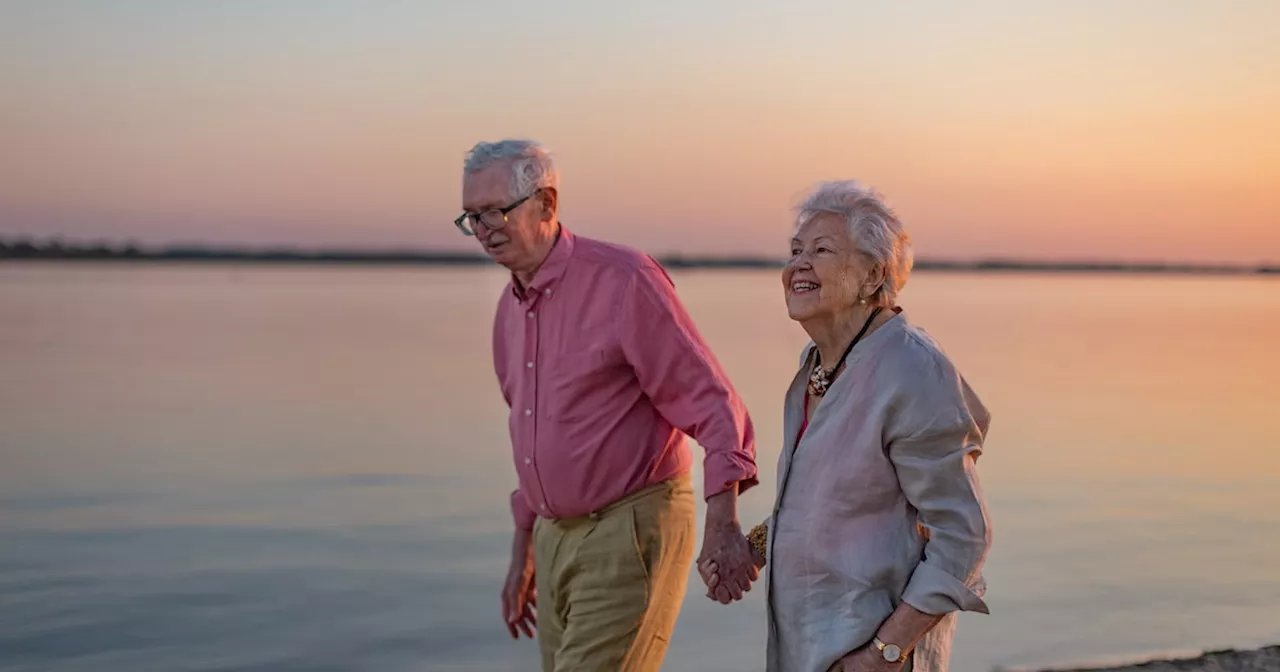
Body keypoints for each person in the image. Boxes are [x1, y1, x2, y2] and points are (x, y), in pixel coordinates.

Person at [457, 139, 760, 672]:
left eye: (495, 212)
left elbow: (713, 402)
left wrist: (723, 519)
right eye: (472, 217)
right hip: (554, 537)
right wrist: (523, 544)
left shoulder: (624, 280)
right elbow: (527, 431)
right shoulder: (510, 305)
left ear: (546, 204)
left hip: (629, 527)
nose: (484, 231)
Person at [700, 181, 993, 672]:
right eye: (795, 251)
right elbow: (831, 503)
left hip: (872, 654)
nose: (798, 265)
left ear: (872, 274)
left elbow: (964, 536)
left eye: (821, 250)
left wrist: (884, 653)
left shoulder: (912, 370)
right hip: (808, 647)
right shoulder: (818, 364)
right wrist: (751, 549)